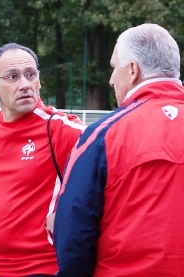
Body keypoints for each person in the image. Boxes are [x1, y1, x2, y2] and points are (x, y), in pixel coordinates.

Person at [53, 23, 184, 277]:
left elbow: (73, 230)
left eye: (114, 67)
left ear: (133, 70)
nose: (111, 79)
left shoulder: (103, 134)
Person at [0, 43, 86, 276]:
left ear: (39, 81)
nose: (24, 84)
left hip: (44, 268)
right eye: (13, 77)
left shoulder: (61, 129)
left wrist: (69, 213)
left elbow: (115, 176)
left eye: (30, 75)